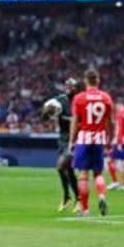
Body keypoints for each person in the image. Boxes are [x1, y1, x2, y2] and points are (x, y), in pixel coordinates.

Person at [69, 69, 114, 217]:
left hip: (84, 139)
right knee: (98, 173)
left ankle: (85, 209)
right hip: (99, 139)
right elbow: (110, 122)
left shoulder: (79, 98)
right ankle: (101, 196)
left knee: (83, 175)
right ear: (98, 81)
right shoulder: (106, 98)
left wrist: (72, 140)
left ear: (85, 81)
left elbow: (75, 121)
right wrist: (109, 140)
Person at [41, 78, 81, 212]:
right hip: (63, 139)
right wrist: (47, 112)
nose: (68, 88)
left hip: (76, 139)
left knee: (61, 166)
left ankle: (73, 198)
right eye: (67, 85)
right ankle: (73, 198)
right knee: (67, 170)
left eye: (72, 86)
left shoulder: (80, 101)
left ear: (77, 88)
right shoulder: (59, 101)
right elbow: (44, 117)